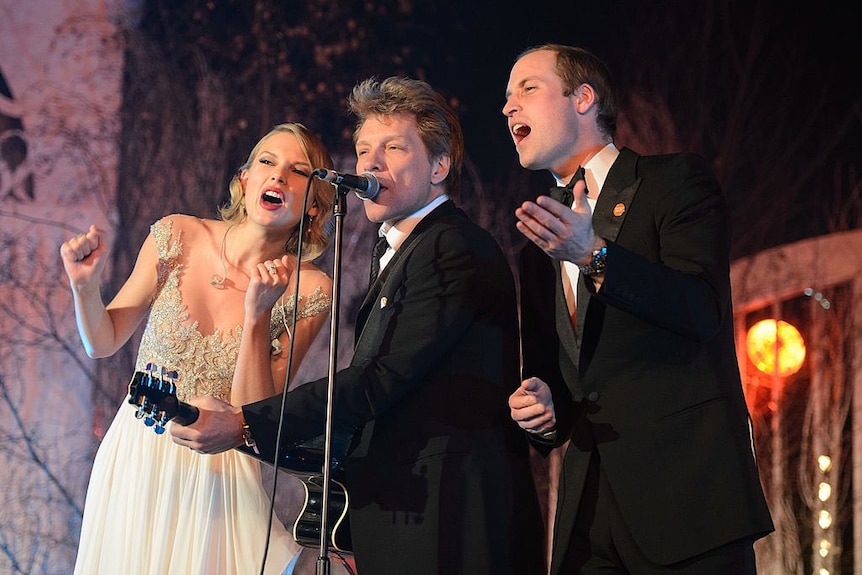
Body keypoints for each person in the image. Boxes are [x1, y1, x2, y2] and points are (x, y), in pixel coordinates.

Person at [170, 76, 547, 575]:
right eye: (364, 148)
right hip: (408, 515)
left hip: (448, 523)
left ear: (439, 166)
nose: (369, 162)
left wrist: (245, 423)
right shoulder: (399, 249)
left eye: (393, 147)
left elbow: (381, 379)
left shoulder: (452, 247)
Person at [503, 44, 774, 574]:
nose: (508, 108)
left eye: (526, 89)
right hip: (587, 513)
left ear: (584, 98)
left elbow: (701, 309)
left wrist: (594, 256)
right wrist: (538, 407)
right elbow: (557, 379)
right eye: (505, 99)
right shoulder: (537, 245)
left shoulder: (673, 182)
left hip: (687, 501)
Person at [60, 122, 336, 575]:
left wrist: (257, 315)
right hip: (136, 459)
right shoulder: (177, 235)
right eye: (267, 162)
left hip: (219, 476)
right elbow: (102, 342)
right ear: (245, 180)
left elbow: (256, 413)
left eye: (298, 171)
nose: (279, 177)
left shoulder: (310, 290)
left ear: (314, 205)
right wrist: (84, 289)